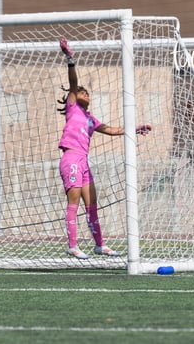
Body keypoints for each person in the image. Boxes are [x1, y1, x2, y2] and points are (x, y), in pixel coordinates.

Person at [58, 38, 151, 259]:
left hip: (84, 161)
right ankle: (73, 245)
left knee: (91, 204)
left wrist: (136, 129)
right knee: (74, 203)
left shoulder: (90, 118)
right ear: (73, 96)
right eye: (82, 91)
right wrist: (70, 60)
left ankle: (100, 244)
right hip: (71, 158)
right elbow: (73, 82)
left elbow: (112, 130)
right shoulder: (73, 109)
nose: (85, 93)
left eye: (87, 92)